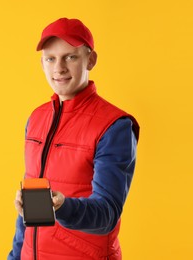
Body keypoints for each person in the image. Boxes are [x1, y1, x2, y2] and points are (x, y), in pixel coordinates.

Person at [8, 18, 140, 260]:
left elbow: (107, 214)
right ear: (42, 63)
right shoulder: (36, 118)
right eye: (51, 58)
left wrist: (62, 206)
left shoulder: (114, 125)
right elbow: (26, 216)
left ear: (91, 60)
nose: (59, 68)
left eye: (70, 57)